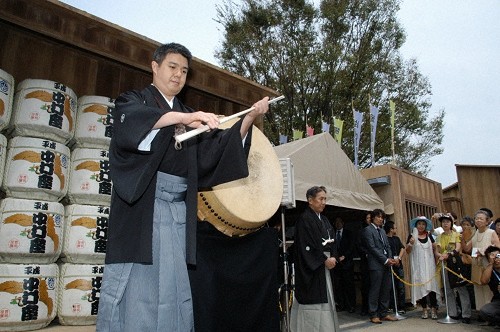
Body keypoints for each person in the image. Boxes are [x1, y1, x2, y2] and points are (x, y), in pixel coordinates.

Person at [96, 42, 270, 332]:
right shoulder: (134, 101)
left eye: (184, 71)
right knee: (140, 288)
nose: (178, 75)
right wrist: (185, 119)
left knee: (174, 290)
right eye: (172, 67)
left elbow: (216, 152)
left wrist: (250, 117)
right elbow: (131, 128)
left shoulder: (190, 115)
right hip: (144, 211)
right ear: (155, 67)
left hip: (177, 215)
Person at [291, 186, 339, 332]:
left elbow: (333, 241)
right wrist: (324, 259)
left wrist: (334, 257)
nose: (324, 202)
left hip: (325, 265)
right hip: (313, 267)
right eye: (321, 199)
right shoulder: (304, 219)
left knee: (327, 299)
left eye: (325, 199)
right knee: (313, 306)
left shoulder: (324, 219)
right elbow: (306, 245)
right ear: (310, 200)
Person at [361, 209, 398, 324]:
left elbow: (387, 246)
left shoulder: (382, 231)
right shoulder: (367, 230)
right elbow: (372, 248)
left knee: (385, 289)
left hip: (386, 264)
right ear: (373, 217)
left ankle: (384, 313)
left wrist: (390, 258)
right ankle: (373, 314)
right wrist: (385, 260)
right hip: (376, 264)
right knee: (375, 289)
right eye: (378, 217)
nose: (381, 219)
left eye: (382, 217)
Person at [435, 213, 472, 323]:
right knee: (448, 290)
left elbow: (458, 247)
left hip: (456, 265)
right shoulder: (439, 236)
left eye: (447, 221)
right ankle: (452, 313)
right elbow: (436, 251)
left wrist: (449, 255)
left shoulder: (456, 234)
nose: (445, 223)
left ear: (451, 223)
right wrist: (440, 255)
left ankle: (466, 314)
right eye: (443, 222)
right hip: (444, 265)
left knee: (461, 288)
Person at [463, 209, 500, 311]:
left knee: (488, 289)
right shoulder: (475, 233)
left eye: (481, 219)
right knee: (478, 288)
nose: (478, 220)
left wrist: (485, 250)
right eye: (476, 218)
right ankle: (481, 311)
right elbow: (467, 248)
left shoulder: (491, 232)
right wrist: (461, 238)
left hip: (487, 264)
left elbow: (498, 247)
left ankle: (490, 311)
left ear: (487, 221)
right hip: (476, 264)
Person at [406, 216, 440, 320]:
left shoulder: (429, 235)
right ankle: (424, 309)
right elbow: (407, 251)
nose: (421, 226)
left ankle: (434, 309)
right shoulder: (412, 236)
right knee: (421, 288)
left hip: (430, 266)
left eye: (423, 224)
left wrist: (438, 255)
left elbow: (435, 247)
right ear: (416, 225)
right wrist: (411, 244)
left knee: (432, 287)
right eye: (419, 224)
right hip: (419, 266)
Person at [333, 217, 356, 313]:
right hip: (337, 264)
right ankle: (341, 305)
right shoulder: (333, 234)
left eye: (339, 222)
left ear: (343, 223)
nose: (337, 224)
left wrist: (344, 256)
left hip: (347, 263)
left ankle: (351, 305)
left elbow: (351, 247)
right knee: (339, 285)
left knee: (349, 285)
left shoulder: (349, 233)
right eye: (336, 223)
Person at [384, 220, 406, 314]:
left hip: (399, 265)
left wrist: (399, 258)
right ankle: (393, 306)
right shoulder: (385, 239)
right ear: (390, 229)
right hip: (390, 266)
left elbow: (402, 248)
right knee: (391, 287)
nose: (396, 229)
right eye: (395, 227)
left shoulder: (396, 238)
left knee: (401, 287)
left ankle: (402, 307)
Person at [479, 245, 500, 327]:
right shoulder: (490, 270)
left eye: (498, 256)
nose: (496, 259)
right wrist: (491, 263)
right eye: (493, 256)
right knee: (485, 311)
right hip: (498, 301)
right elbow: (484, 281)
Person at [358, 211, 372, 316]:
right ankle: (365, 307)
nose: (369, 220)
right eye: (367, 218)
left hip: (376, 262)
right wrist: (366, 253)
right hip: (365, 262)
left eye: (371, 218)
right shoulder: (362, 232)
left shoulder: (378, 231)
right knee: (365, 286)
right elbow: (359, 246)